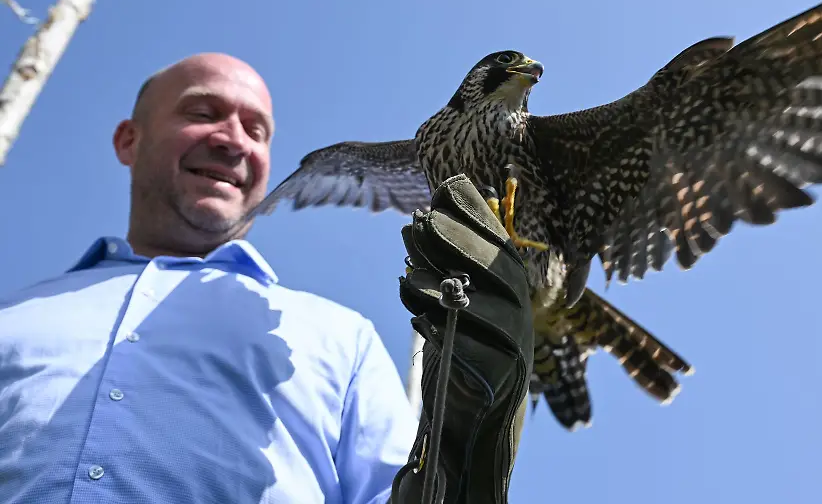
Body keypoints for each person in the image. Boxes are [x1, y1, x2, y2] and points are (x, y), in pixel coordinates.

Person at [0, 53, 533, 504]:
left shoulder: (343, 338)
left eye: (255, 130)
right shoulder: (12, 319)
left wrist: (465, 456)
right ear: (127, 140)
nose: (233, 140)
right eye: (203, 112)